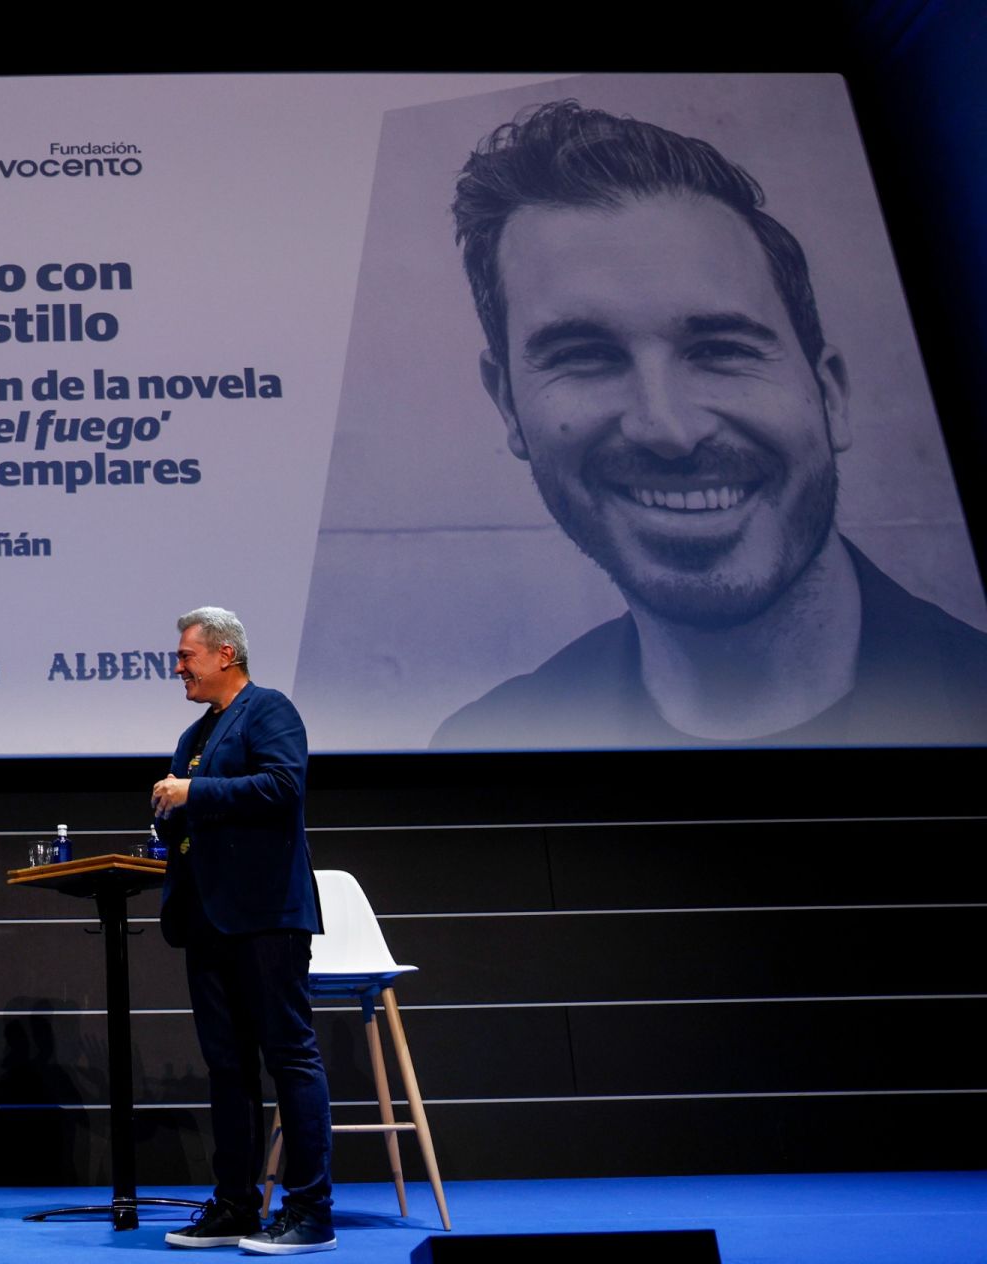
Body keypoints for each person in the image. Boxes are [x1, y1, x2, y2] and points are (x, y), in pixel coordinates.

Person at [433, 100, 987, 750]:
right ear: (508, 406)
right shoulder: (484, 744)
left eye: (722, 349)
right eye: (584, 356)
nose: (668, 428)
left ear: (831, 393)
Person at [151, 607, 334, 1255]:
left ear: (225, 654)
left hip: (266, 916)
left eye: (187, 656)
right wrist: (168, 810)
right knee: (227, 1067)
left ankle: (310, 1212)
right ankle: (235, 1206)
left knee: (289, 1057)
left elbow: (283, 786)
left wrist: (192, 794)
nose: (178, 667)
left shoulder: (269, 709)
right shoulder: (194, 734)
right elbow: (185, 816)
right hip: (207, 918)